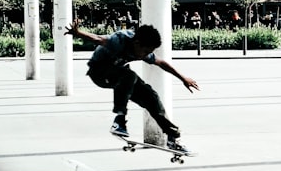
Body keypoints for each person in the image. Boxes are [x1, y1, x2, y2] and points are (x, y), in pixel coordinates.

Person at [65, 20, 200, 154]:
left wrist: (183, 78)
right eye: (146, 51)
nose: (146, 55)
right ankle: (119, 120)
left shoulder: (142, 47)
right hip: (99, 73)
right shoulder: (119, 40)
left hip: (120, 76)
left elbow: (161, 63)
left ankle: (173, 138)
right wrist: (78, 33)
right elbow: (99, 39)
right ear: (137, 43)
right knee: (130, 75)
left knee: (151, 96)